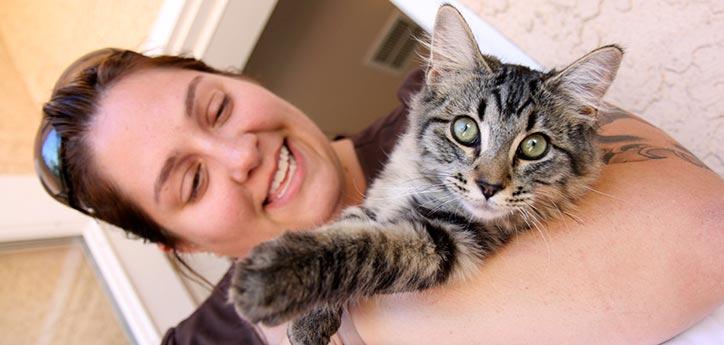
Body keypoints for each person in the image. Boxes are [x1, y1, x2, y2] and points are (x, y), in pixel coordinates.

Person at [35, 47, 723, 345]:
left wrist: (346, 291)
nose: (241, 154)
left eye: (215, 108)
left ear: (241, 77)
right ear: (178, 242)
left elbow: (701, 234)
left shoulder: (445, 102)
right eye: (191, 180)